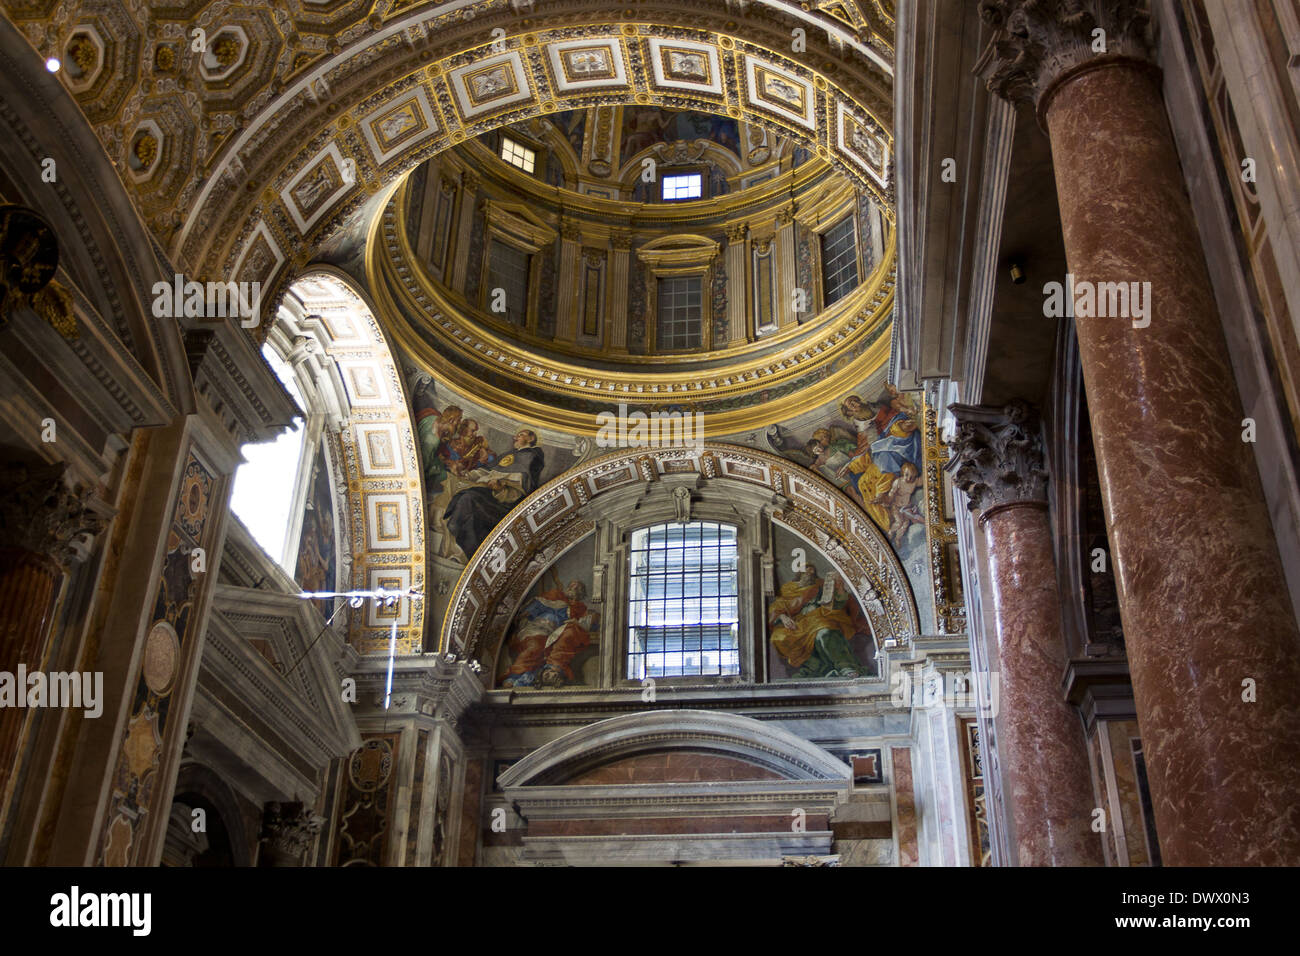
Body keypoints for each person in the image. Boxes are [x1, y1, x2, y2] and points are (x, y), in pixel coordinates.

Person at [443, 429, 544, 561]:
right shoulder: (509, 454)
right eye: (516, 434)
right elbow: (487, 471)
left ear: (530, 439)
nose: (515, 437)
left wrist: (501, 484)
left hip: (507, 502)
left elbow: (524, 482)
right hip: (490, 493)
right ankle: (470, 553)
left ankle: (455, 525)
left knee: (469, 497)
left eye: (520, 435)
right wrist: (466, 474)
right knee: (471, 514)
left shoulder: (532, 456)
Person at [768, 567, 867, 679]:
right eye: (807, 571)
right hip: (799, 624)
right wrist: (783, 617)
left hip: (819, 619)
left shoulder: (819, 587)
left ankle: (846, 666)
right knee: (778, 637)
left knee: (825, 633)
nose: (810, 573)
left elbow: (838, 602)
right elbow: (775, 608)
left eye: (812, 572)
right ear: (799, 574)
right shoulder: (787, 590)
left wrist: (839, 587)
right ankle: (817, 667)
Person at [502, 578, 598, 688]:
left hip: (555, 633)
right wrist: (527, 613)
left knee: (551, 645)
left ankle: (532, 676)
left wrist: (579, 621)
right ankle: (515, 675)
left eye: (577, 588)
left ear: (581, 593)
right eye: (571, 586)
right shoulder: (555, 595)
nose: (573, 589)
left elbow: (590, 622)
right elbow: (536, 606)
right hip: (538, 627)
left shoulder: (580, 608)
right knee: (535, 647)